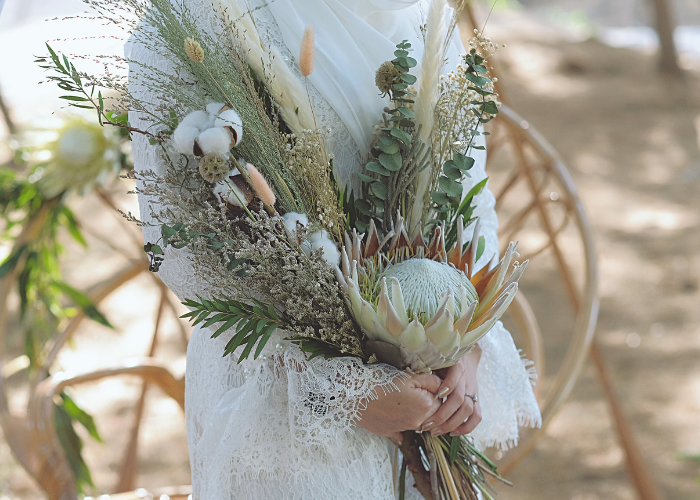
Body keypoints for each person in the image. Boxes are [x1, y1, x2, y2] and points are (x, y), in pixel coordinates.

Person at [128, 0, 541, 498]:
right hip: (282, 408)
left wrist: (462, 349)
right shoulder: (188, 24)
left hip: (429, 396)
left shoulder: (423, 16)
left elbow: (470, 210)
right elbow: (185, 248)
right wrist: (342, 391)